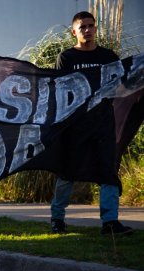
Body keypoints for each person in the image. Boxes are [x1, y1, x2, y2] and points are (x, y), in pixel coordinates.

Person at [50, 11, 133, 236]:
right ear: (74, 32)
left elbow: (122, 87)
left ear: (95, 29)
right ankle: (57, 219)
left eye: (91, 26)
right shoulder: (66, 58)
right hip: (74, 125)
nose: (87, 30)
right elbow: (60, 91)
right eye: (82, 27)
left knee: (108, 171)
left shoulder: (108, 56)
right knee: (67, 172)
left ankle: (110, 222)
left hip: (103, 123)